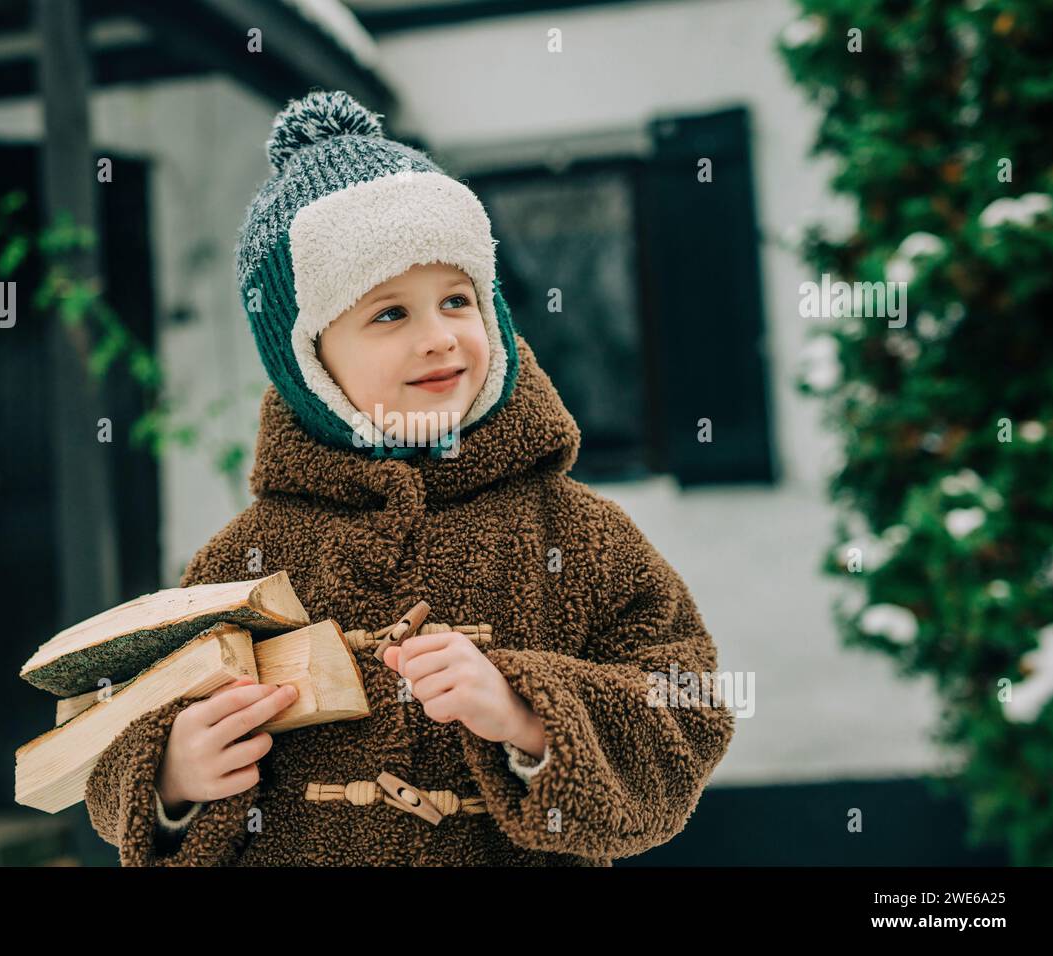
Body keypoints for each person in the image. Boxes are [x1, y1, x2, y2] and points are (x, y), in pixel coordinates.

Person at [83, 90, 735, 866]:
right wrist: (172, 780)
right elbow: (112, 746)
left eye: (457, 299)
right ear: (308, 361)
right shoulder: (243, 560)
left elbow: (684, 708)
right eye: (389, 313)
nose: (438, 339)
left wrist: (528, 713)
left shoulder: (579, 534)